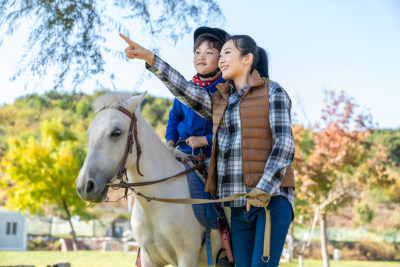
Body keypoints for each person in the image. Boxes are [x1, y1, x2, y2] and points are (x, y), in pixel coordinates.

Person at [120, 33, 295, 267]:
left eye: (227, 53)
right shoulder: (221, 102)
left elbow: (283, 144)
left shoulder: (273, 92)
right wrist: (151, 59)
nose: (221, 59)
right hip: (239, 204)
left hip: (271, 201)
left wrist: (263, 189)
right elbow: (184, 91)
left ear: (247, 59)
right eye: (220, 55)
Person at [165, 27, 230, 172]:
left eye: (208, 52)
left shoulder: (226, 90)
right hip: (183, 152)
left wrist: (204, 140)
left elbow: (231, 130)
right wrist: (170, 141)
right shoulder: (186, 88)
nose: (201, 57)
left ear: (221, 59)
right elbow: (175, 116)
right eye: (197, 52)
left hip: (211, 157)